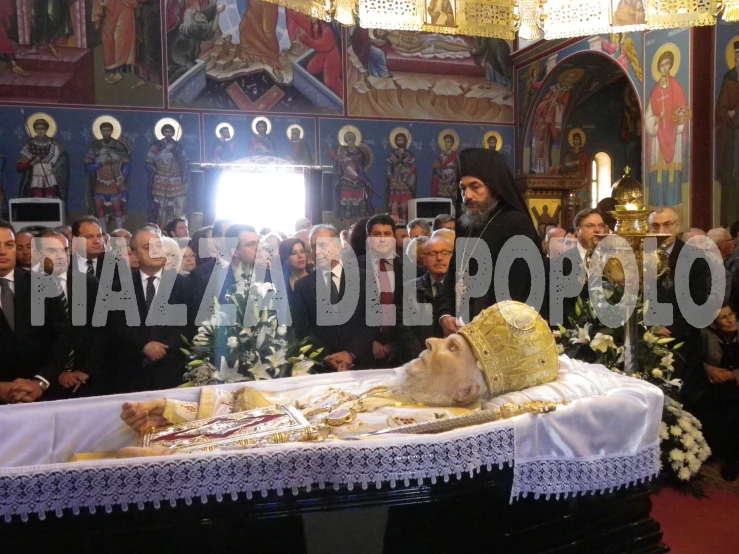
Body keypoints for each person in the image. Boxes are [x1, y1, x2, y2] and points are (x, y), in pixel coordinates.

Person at [120, 301, 560, 445]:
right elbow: (288, 408)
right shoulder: (397, 386)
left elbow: (299, 441)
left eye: (451, 346)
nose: (430, 340)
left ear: (466, 390)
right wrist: (178, 413)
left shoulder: (424, 427)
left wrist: (178, 441)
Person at [437, 148, 541, 336]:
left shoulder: (516, 224)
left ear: (495, 187)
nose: (467, 195)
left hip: (499, 333)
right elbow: (454, 274)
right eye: (463, 188)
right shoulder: (468, 223)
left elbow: (515, 289)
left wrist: (479, 324)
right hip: (463, 330)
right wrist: (445, 314)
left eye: (475, 187)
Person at [105, 228, 197, 393]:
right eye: (147, 247)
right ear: (134, 254)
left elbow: (191, 325)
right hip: (131, 374)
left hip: (174, 372)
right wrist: (143, 344)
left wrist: (164, 348)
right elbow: (115, 326)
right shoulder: (118, 287)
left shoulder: (185, 286)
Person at [0, 220, 72, 403]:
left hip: (43, 394)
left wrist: (40, 382)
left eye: (9, 245)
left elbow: (63, 338)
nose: (2, 251)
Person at [292, 225, 376, 370]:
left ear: (338, 247)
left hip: (361, 364)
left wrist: (351, 353)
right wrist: (325, 357)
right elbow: (303, 328)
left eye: (322, 245)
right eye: (313, 247)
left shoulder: (364, 278)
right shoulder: (303, 286)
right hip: (322, 368)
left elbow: (372, 321)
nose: (317, 252)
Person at [38, 230, 103, 398]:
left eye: (64, 250)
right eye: (52, 251)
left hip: (88, 379)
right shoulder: (28, 288)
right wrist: (55, 373)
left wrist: (86, 370)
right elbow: (34, 343)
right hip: (46, 384)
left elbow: (102, 330)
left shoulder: (89, 282)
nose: (60, 256)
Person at [689, 305, 739, 480]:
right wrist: (707, 367)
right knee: (707, 413)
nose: (731, 320)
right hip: (713, 388)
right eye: (723, 318)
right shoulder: (705, 335)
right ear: (713, 325)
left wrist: (732, 374)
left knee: (733, 414)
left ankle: (732, 461)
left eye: (731, 314)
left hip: (735, 387)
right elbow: (695, 358)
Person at [645, 50, 689, 207]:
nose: (664, 68)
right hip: (658, 137)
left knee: (673, 174)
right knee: (658, 173)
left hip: (674, 136)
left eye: (667, 64)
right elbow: (648, 117)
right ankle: (657, 211)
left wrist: (680, 121)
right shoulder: (655, 90)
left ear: (671, 65)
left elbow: (683, 109)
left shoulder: (676, 85)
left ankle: (673, 210)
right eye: (661, 65)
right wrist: (657, 118)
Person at [405, 234, 453, 346]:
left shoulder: (464, 289)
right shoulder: (408, 290)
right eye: (432, 253)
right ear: (424, 259)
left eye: (445, 253)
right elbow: (404, 331)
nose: (439, 258)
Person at [84, 121, 131, 233]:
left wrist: (122, 177)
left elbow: (127, 163)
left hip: (115, 181)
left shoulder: (118, 146)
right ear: (100, 131)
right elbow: (87, 166)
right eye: (104, 130)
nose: (106, 133)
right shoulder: (95, 146)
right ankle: (103, 233)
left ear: (112, 131)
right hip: (101, 181)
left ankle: (120, 232)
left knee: (118, 208)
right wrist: (100, 164)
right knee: (99, 207)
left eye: (108, 130)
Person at [145, 124, 190, 227]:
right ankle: (161, 229)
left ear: (173, 133)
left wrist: (184, 175)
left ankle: (176, 228)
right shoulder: (156, 146)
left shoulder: (178, 147)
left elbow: (185, 161)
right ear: (163, 133)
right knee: (162, 207)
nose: (168, 134)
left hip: (176, 180)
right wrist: (158, 172)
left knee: (180, 204)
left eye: (170, 132)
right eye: (166, 132)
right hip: (161, 180)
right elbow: (148, 162)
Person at [17, 118, 67, 199]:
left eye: (43, 128)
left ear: (46, 129)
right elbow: (20, 166)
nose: (40, 131)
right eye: (38, 129)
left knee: (51, 198)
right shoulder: (30, 144)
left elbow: (63, 158)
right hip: (35, 176)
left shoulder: (53, 143)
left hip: (50, 175)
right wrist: (32, 162)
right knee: (37, 198)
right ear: (35, 130)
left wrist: (56, 167)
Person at [718, 43, 739, 226]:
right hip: (734, 138)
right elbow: (721, 109)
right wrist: (729, 114)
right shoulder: (730, 77)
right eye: (737, 57)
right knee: (733, 177)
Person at [94, 0, 137, 85]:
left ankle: (118, 72)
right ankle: (112, 71)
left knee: (119, 39)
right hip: (110, 10)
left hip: (123, 9)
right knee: (107, 38)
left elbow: (133, 3)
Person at [385, 133, 417, 222]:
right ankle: (396, 223)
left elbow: (413, 168)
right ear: (395, 141)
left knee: (405, 207)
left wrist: (407, 176)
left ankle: (406, 224)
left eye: (402, 140)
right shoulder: (392, 154)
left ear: (405, 141)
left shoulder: (409, 155)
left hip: (405, 181)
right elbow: (388, 167)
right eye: (398, 140)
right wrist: (391, 178)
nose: (400, 142)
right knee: (394, 206)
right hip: (395, 181)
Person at [431, 134, 459, 199]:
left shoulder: (456, 156)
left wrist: (454, 185)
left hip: (452, 184)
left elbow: (458, 170)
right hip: (442, 183)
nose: (447, 144)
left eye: (448, 142)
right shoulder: (441, 156)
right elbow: (436, 168)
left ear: (452, 142)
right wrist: (438, 172)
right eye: (446, 142)